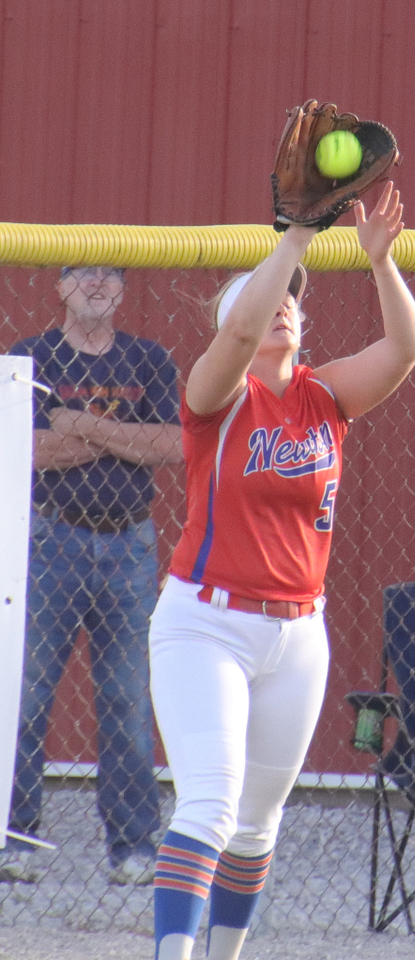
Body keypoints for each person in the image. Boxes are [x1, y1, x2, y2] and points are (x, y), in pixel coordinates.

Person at [148, 180, 415, 960]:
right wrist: (297, 236)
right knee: (209, 805)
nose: (280, 306)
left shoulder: (324, 395)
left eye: (291, 299)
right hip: (206, 625)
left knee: (256, 825)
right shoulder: (216, 397)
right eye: (265, 295)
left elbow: (405, 350)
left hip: (298, 636)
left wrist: (381, 263)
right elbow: (240, 330)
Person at [1, 265, 183, 887]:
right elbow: (28, 450)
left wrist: (80, 424)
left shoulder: (149, 359)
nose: (97, 285)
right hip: (50, 541)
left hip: (130, 545)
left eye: (110, 274)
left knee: (127, 699)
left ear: (125, 290)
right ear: (59, 287)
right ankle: (13, 838)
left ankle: (133, 846)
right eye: (83, 275)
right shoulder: (30, 355)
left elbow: (173, 445)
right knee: (26, 693)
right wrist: (125, 438)